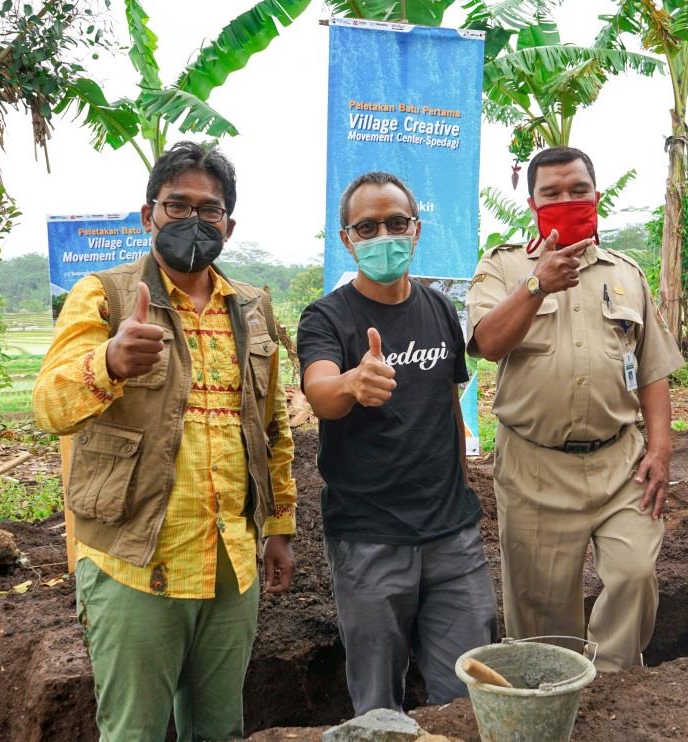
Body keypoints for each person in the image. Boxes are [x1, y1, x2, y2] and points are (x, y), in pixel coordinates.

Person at [32, 141, 297, 741]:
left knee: (220, 729)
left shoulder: (252, 307)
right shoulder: (105, 295)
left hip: (231, 562)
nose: (194, 221)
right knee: (134, 733)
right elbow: (48, 405)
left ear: (229, 223)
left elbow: (272, 427)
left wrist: (278, 527)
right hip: (134, 558)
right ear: (149, 215)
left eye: (210, 209)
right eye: (178, 206)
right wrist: (109, 363)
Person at [465, 146, 684, 672]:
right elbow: (486, 343)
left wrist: (660, 446)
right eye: (552, 193)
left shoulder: (625, 272)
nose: (567, 199)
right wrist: (536, 285)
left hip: (620, 464)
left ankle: (613, 688)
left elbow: (651, 367)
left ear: (597, 195)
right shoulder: (502, 267)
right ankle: (552, 697)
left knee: (633, 574)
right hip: (535, 465)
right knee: (543, 612)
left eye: (578, 190)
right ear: (532, 202)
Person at [297, 171, 497, 714]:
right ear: (347, 238)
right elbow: (319, 392)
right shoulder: (327, 317)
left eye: (396, 222)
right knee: (379, 702)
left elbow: (449, 404)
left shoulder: (437, 309)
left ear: (416, 228)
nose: (383, 234)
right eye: (367, 226)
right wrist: (351, 384)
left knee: (464, 692)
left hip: (451, 537)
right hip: (369, 539)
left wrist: (464, 483)